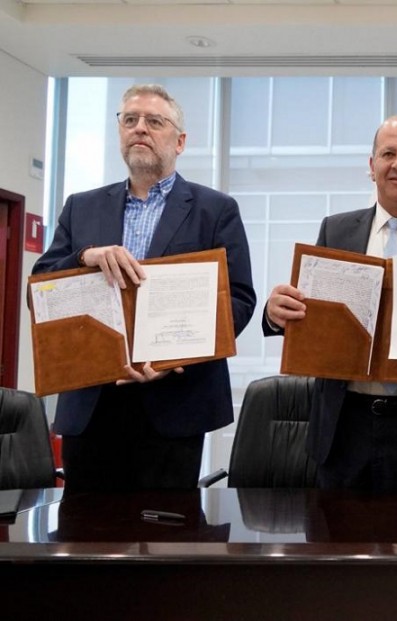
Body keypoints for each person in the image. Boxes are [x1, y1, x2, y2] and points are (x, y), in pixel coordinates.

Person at [32, 84, 256, 491]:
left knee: (165, 536)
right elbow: (42, 292)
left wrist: (179, 355)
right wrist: (85, 257)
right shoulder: (81, 207)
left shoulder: (215, 210)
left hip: (175, 404)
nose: (140, 129)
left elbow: (239, 300)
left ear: (180, 140)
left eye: (155, 122)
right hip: (91, 404)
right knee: (85, 536)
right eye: (130, 120)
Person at [263, 115, 397, 493]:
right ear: (371, 166)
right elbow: (311, 316)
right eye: (388, 153)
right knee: (334, 545)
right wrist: (275, 313)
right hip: (344, 423)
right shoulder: (336, 230)